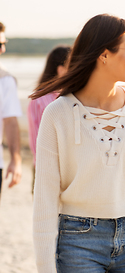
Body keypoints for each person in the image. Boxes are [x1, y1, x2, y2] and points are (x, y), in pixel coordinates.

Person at [31, 14, 125, 273]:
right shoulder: (56, 114)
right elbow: (44, 197)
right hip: (77, 244)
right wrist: (46, 271)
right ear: (104, 55)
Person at [27, 45, 70, 192]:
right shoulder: (39, 99)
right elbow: (35, 139)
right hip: (45, 170)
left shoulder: (73, 97)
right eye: (73, 66)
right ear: (60, 69)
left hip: (71, 172)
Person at [0, 21, 23, 201]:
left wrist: (16, 160)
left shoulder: (5, 79)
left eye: (4, 44)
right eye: (0, 44)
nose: (3, 50)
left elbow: (11, 121)